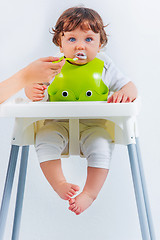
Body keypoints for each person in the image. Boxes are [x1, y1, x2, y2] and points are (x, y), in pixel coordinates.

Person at [25, 7, 137, 215]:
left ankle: (89, 193)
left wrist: (124, 93)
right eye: (71, 40)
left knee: (101, 145)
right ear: (60, 42)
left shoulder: (105, 64)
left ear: (100, 43)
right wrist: (32, 90)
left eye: (88, 39)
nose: (79, 46)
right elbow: (32, 85)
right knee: (44, 138)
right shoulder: (52, 65)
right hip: (57, 123)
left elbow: (130, 86)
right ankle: (59, 184)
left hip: (94, 125)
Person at [0, 56, 65, 103]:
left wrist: (27, 77)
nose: (75, 46)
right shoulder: (55, 66)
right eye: (72, 39)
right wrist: (33, 90)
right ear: (60, 45)